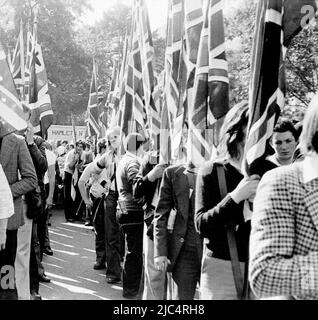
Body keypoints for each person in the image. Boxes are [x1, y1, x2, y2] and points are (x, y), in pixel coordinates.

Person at [249, 95, 318, 300]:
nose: (284, 146)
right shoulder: (283, 182)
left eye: (288, 141)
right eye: (279, 142)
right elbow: (265, 275)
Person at [195, 101, 260, 300]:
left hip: (261, 268)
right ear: (237, 130)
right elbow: (202, 224)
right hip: (221, 268)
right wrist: (235, 197)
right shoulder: (211, 170)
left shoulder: (268, 171)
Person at [153, 161, 202, 300]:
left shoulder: (218, 171)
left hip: (211, 252)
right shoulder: (172, 173)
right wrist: (160, 251)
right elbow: (161, 214)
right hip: (183, 254)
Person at [0, 128, 38, 300]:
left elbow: (31, 179)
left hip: (8, 224)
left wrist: (4, 192)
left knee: (5, 276)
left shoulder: (16, 141)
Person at [87, 127, 122, 283]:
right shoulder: (107, 157)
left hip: (129, 199)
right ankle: (113, 273)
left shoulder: (132, 153)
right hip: (112, 198)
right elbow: (92, 171)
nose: (113, 140)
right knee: (111, 236)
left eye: (115, 137)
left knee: (127, 236)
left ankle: (129, 272)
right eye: (110, 138)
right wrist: (104, 183)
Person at [133, 150, 167, 300]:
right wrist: (152, 176)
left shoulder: (196, 151)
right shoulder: (152, 157)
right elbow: (137, 191)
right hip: (155, 222)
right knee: (154, 275)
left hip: (182, 224)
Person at [116, 132, 146, 299]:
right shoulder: (133, 162)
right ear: (139, 146)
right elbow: (138, 188)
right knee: (134, 253)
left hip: (125, 209)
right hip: (133, 210)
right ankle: (131, 291)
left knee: (131, 252)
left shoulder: (124, 160)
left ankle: (131, 289)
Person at [78, 138, 108, 268]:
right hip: (97, 200)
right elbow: (81, 182)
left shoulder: (114, 163)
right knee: (100, 231)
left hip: (110, 199)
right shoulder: (94, 165)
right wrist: (86, 200)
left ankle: (112, 261)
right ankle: (101, 259)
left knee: (112, 233)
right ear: (102, 149)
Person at [63, 140, 85, 222]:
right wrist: (75, 160)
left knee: (77, 195)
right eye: (78, 146)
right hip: (68, 174)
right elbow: (70, 166)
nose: (79, 148)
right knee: (68, 195)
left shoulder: (81, 154)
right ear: (75, 146)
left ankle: (76, 215)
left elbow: (78, 167)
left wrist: (79, 165)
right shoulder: (72, 153)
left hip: (75, 175)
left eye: (81, 147)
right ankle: (68, 216)